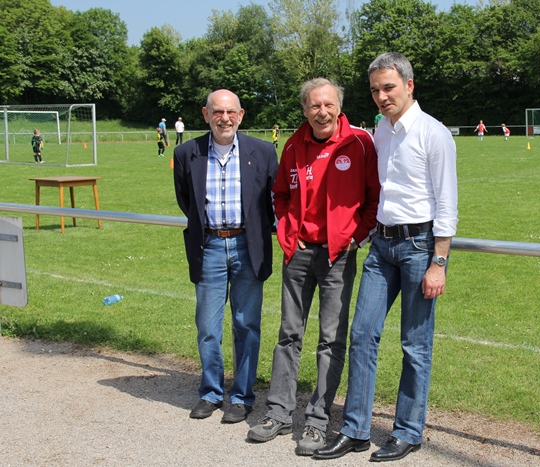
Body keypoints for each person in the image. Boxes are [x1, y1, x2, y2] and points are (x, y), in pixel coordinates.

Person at [314, 52, 458, 462]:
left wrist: (439, 262)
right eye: (375, 89)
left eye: (388, 87)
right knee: (362, 335)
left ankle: (409, 431)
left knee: (415, 344)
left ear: (409, 86)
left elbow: (447, 204)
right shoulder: (381, 130)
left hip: (419, 248)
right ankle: (356, 430)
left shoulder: (434, 134)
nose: (381, 96)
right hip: (381, 246)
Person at [247, 78, 380, 456]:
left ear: (339, 106)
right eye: (313, 105)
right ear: (304, 110)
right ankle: (278, 412)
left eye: (327, 104)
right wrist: (289, 233)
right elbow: (280, 195)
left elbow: (374, 196)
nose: (321, 111)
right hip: (299, 252)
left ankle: (319, 420)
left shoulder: (359, 143)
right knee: (289, 333)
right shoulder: (293, 144)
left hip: (338, 255)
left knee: (330, 339)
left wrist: (357, 235)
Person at [173, 89, 278, 424]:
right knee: (207, 326)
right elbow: (186, 201)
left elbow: (271, 202)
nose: (225, 118)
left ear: (241, 114)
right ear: (206, 115)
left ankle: (242, 396)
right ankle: (211, 392)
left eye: (231, 112)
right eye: (217, 112)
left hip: (249, 246)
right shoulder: (186, 153)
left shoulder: (262, 151)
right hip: (209, 247)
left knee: (246, 324)